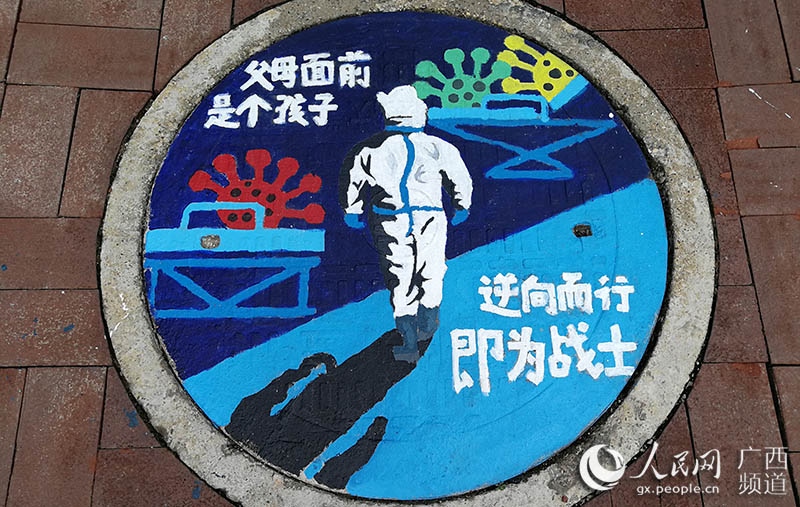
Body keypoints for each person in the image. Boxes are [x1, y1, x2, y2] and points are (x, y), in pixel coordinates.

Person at [339, 85, 473, 363]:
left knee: (400, 276)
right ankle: (429, 324)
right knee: (432, 270)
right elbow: (459, 177)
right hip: (431, 215)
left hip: (390, 217)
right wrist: (462, 205)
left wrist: (353, 210)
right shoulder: (438, 146)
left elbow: (354, 180)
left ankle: (408, 342)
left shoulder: (370, 149)